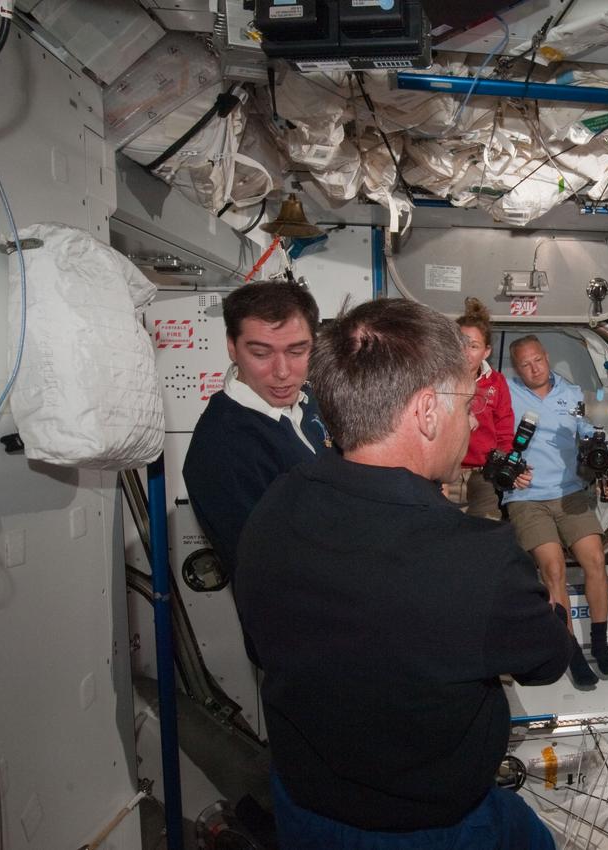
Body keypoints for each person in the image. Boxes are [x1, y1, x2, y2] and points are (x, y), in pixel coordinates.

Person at [236, 299, 570, 850]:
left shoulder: (274, 506)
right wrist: (555, 605)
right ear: (428, 411)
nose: (471, 422)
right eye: (467, 404)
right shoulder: (477, 559)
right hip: (434, 830)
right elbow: (547, 660)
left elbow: (260, 644)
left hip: (303, 810)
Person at [182, 281, 329, 583]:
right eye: (261, 354)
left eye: (297, 351)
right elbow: (268, 571)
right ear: (232, 347)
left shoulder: (309, 402)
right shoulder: (221, 448)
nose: (282, 372)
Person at [505, 335, 608, 689]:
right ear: (516, 368)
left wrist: (607, 476)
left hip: (570, 492)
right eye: (525, 364)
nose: (533, 368)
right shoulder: (506, 393)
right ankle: (571, 652)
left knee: (595, 559)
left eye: (537, 360)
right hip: (526, 497)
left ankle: (599, 641)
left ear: (547, 357)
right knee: (552, 569)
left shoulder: (574, 394)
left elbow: (596, 440)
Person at [443, 297, 513, 519]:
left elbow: (504, 431)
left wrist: (502, 465)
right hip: (445, 473)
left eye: (474, 346)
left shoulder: (497, 382)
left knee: (488, 527)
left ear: (486, 351)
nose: (466, 352)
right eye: (461, 344)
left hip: (482, 475)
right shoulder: (438, 379)